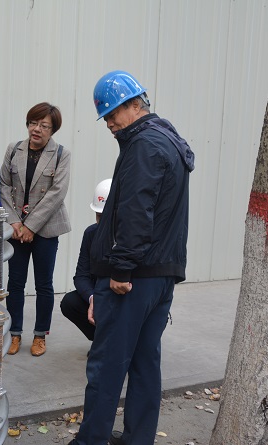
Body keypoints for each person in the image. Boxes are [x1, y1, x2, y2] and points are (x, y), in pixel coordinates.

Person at [68, 71, 195, 445]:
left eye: (112, 114)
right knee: (144, 364)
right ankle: (138, 439)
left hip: (134, 277)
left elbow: (137, 211)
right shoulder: (167, 140)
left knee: (107, 366)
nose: (109, 124)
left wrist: (121, 268)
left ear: (136, 104)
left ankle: (91, 440)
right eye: (105, 117)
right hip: (161, 274)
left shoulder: (143, 145)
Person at [0, 102, 71, 357]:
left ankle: (40, 335)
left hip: (46, 228)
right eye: (33, 123)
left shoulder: (61, 154)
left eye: (44, 125)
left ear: (53, 130)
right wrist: (15, 222)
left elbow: (57, 193)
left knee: (44, 284)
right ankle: (15, 333)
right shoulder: (14, 149)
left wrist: (31, 225)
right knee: (15, 282)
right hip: (17, 228)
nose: (37, 129)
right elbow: (4, 185)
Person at [60, 178, 111, 342]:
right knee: (70, 302)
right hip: (100, 294)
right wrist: (93, 298)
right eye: (99, 216)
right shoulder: (91, 234)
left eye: (107, 217)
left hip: (125, 298)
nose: (102, 222)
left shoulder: (133, 238)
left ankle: (124, 344)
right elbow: (81, 276)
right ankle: (101, 342)